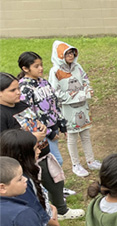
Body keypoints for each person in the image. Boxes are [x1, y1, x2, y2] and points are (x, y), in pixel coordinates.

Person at [0, 72, 84, 220]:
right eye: (12, 90)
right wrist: (32, 137)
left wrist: (41, 126)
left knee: (54, 182)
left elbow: (33, 120)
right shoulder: (2, 114)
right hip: (23, 162)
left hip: (42, 153)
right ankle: (42, 217)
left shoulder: (21, 104)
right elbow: (6, 141)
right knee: (33, 190)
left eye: (18, 88)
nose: (18, 92)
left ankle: (61, 211)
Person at [17, 51, 75, 197]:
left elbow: (54, 104)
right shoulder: (24, 88)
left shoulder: (44, 82)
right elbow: (29, 115)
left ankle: (56, 190)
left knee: (55, 162)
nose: (41, 68)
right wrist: (49, 133)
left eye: (41, 65)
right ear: (25, 68)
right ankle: (52, 192)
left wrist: (62, 124)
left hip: (53, 129)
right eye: (36, 66)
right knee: (54, 163)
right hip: (41, 134)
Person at [48, 40, 101, 177]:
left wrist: (88, 90)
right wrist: (79, 95)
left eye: (72, 53)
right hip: (68, 110)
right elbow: (56, 93)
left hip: (82, 108)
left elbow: (85, 80)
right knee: (71, 137)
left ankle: (91, 160)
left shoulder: (77, 67)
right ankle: (76, 164)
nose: (70, 56)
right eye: (67, 54)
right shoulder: (55, 72)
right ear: (60, 55)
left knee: (85, 134)